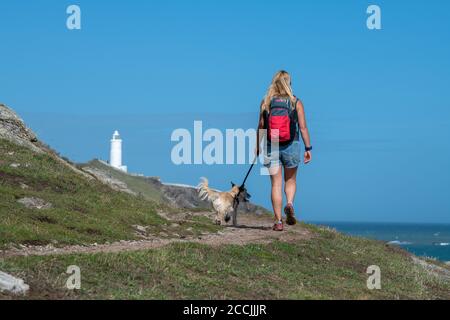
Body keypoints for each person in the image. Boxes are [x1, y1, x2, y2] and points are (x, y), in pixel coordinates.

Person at [256, 70, 312, 231]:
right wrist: (308, 148)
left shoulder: (266, 102)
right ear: (289, 83)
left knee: (275, 184)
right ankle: (290, 203)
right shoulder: (296, 102)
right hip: (291, 144)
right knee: (291, 181)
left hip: (271, 143)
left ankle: (278, 221)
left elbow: (261, 126)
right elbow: (303, 128)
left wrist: (257, 146)